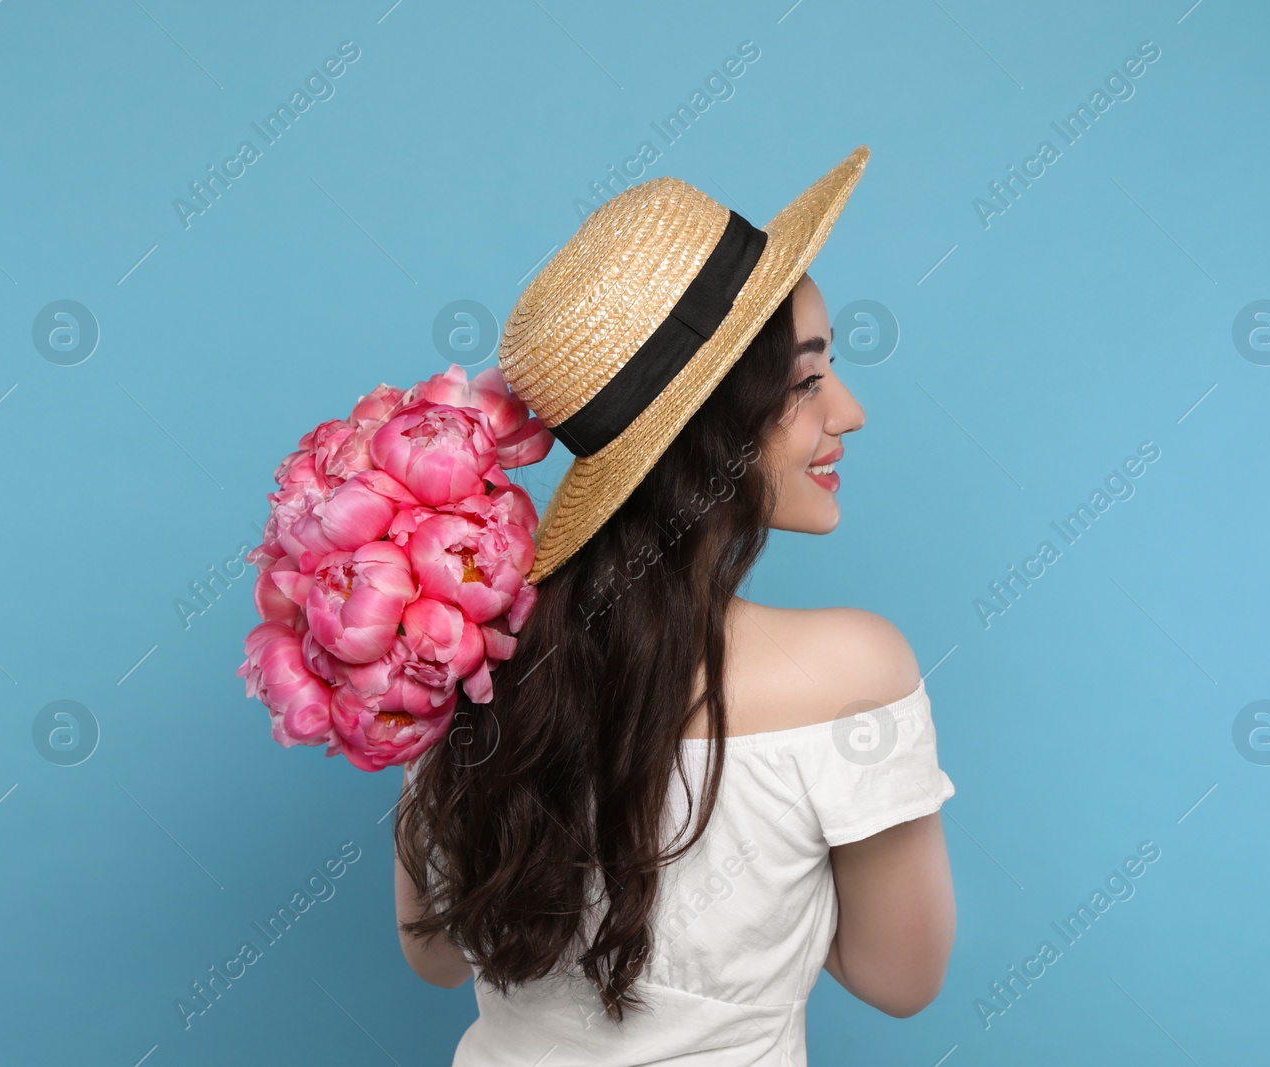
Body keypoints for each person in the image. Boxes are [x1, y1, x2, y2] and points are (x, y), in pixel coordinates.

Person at [393, 146, 957, 1065]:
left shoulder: (469, 655)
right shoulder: (855, 669)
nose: (847, 412)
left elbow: (438, 958)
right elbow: (902, 978)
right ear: (713, 429)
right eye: (807, 381)